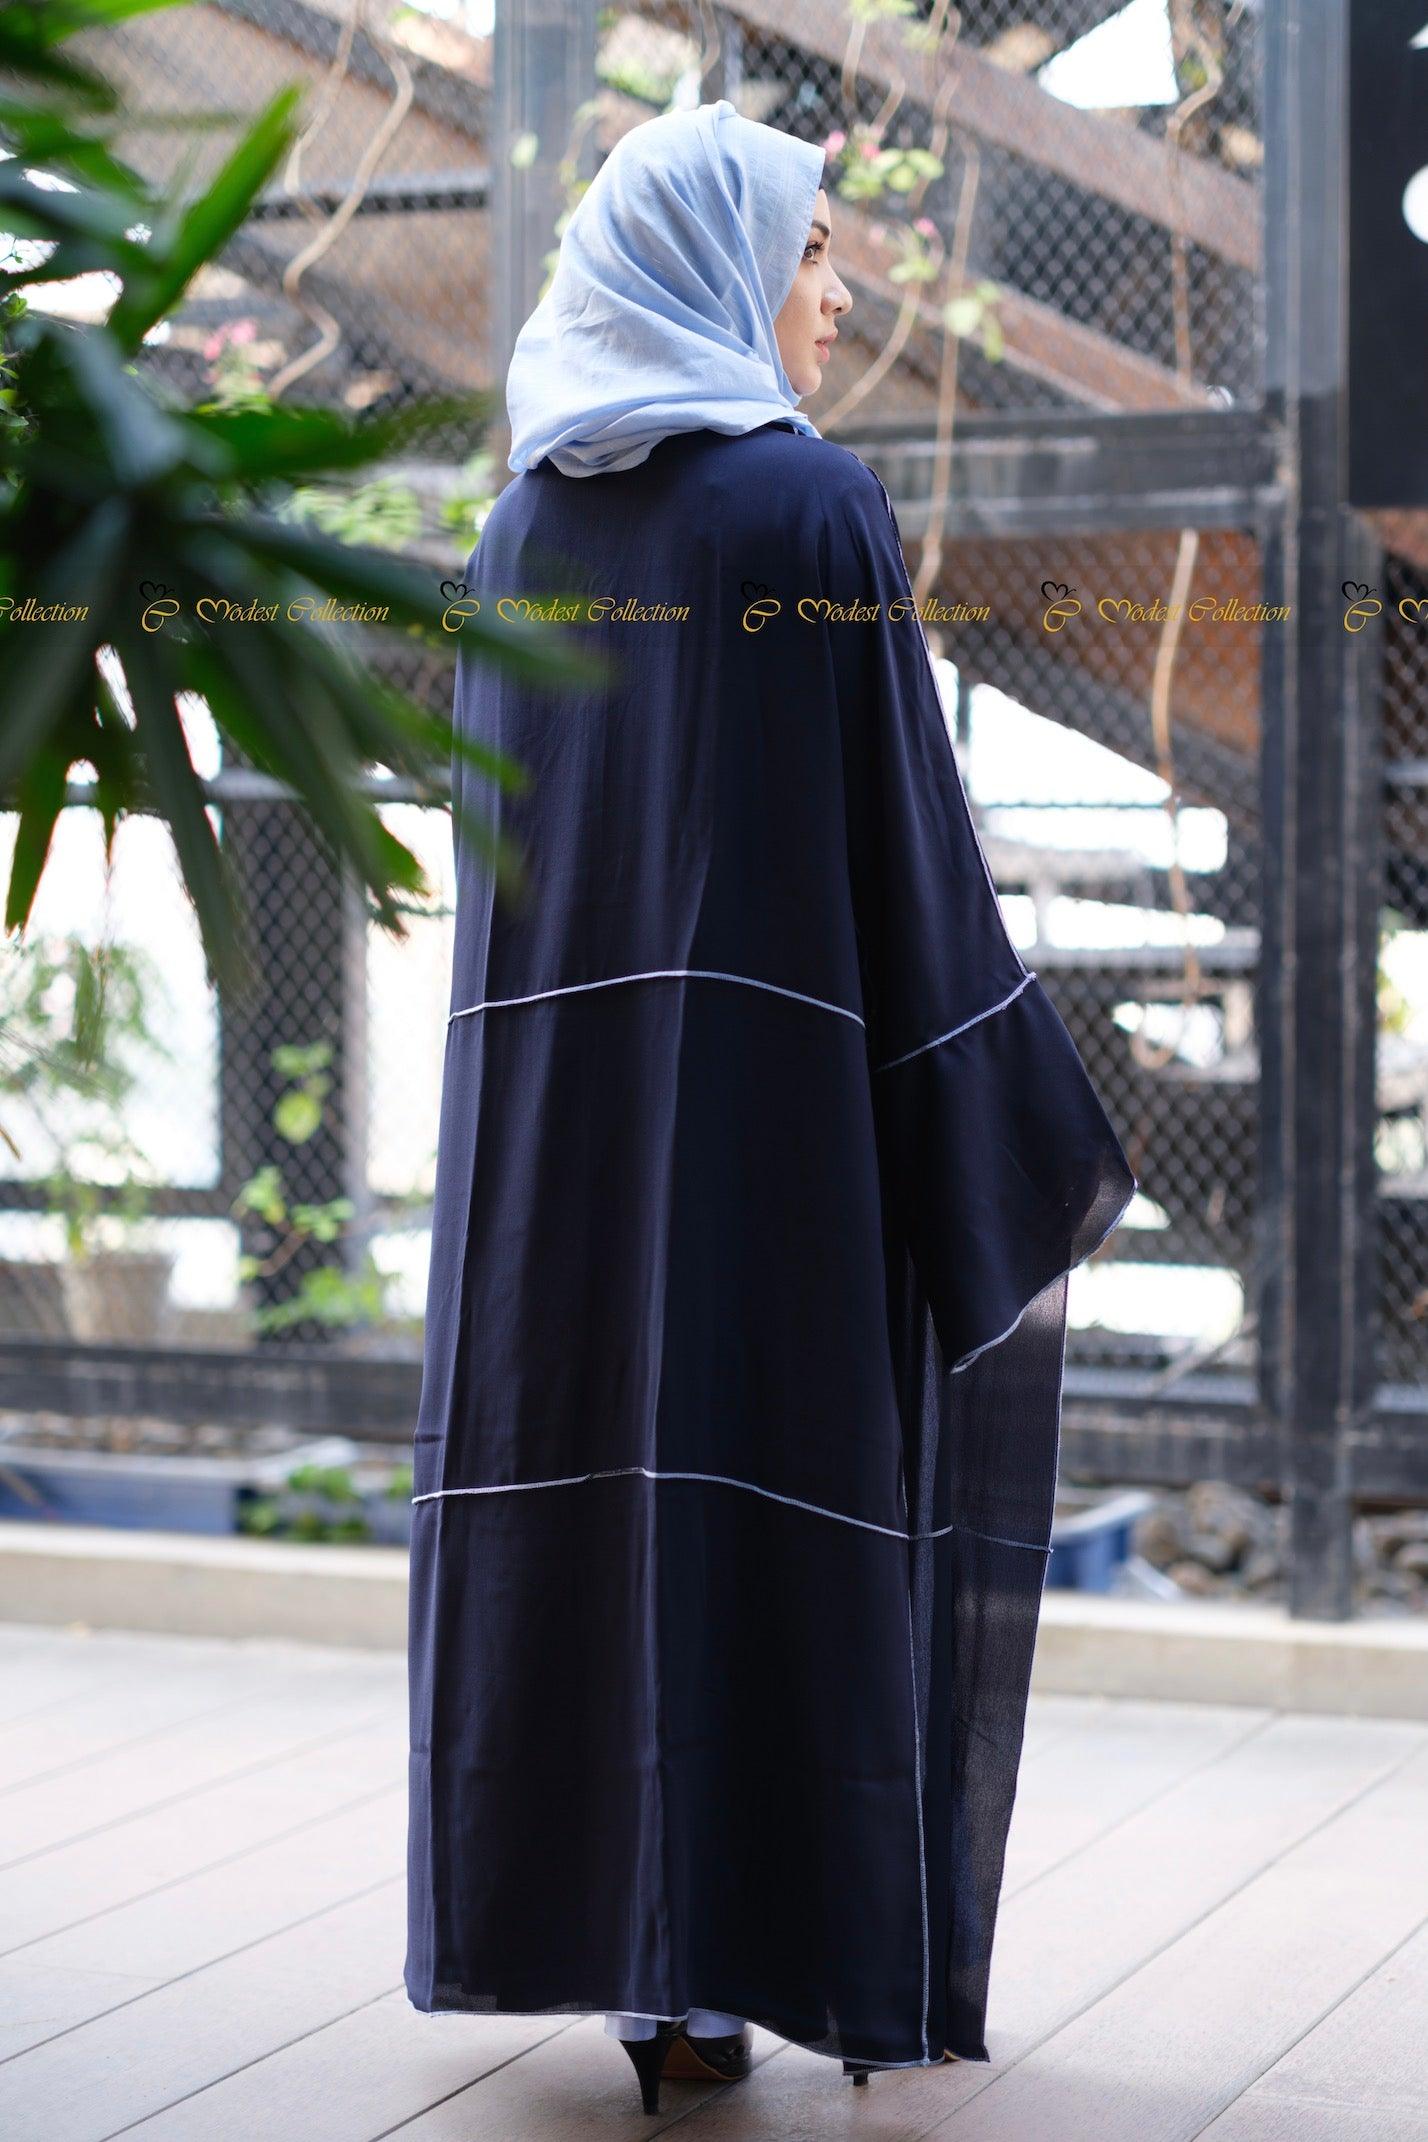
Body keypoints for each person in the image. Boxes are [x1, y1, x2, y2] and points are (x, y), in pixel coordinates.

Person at [404, 99, 1136, 2118]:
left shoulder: (519, 530)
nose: (841, 292)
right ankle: (755, 1942)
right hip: (769, 1133)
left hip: (557, 1162)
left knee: (593, 1504)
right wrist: (1001, 1108)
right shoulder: (807, 510)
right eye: (814, 249)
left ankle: (646, 1972)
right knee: (763, 1494)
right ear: (718, 266)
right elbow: (904, 842)